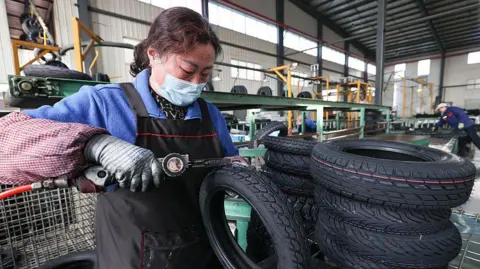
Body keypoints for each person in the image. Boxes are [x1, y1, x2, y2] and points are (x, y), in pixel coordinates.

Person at [0, 7, 241, 269]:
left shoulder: (211, 115)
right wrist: (95, 145)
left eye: (205, 75)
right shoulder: (106, 103)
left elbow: (227, 167)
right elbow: (8, 139)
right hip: (132, 255)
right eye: (187, 70)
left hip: (203, 251)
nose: (196, 83)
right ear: (154, 55)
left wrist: (238, 174)